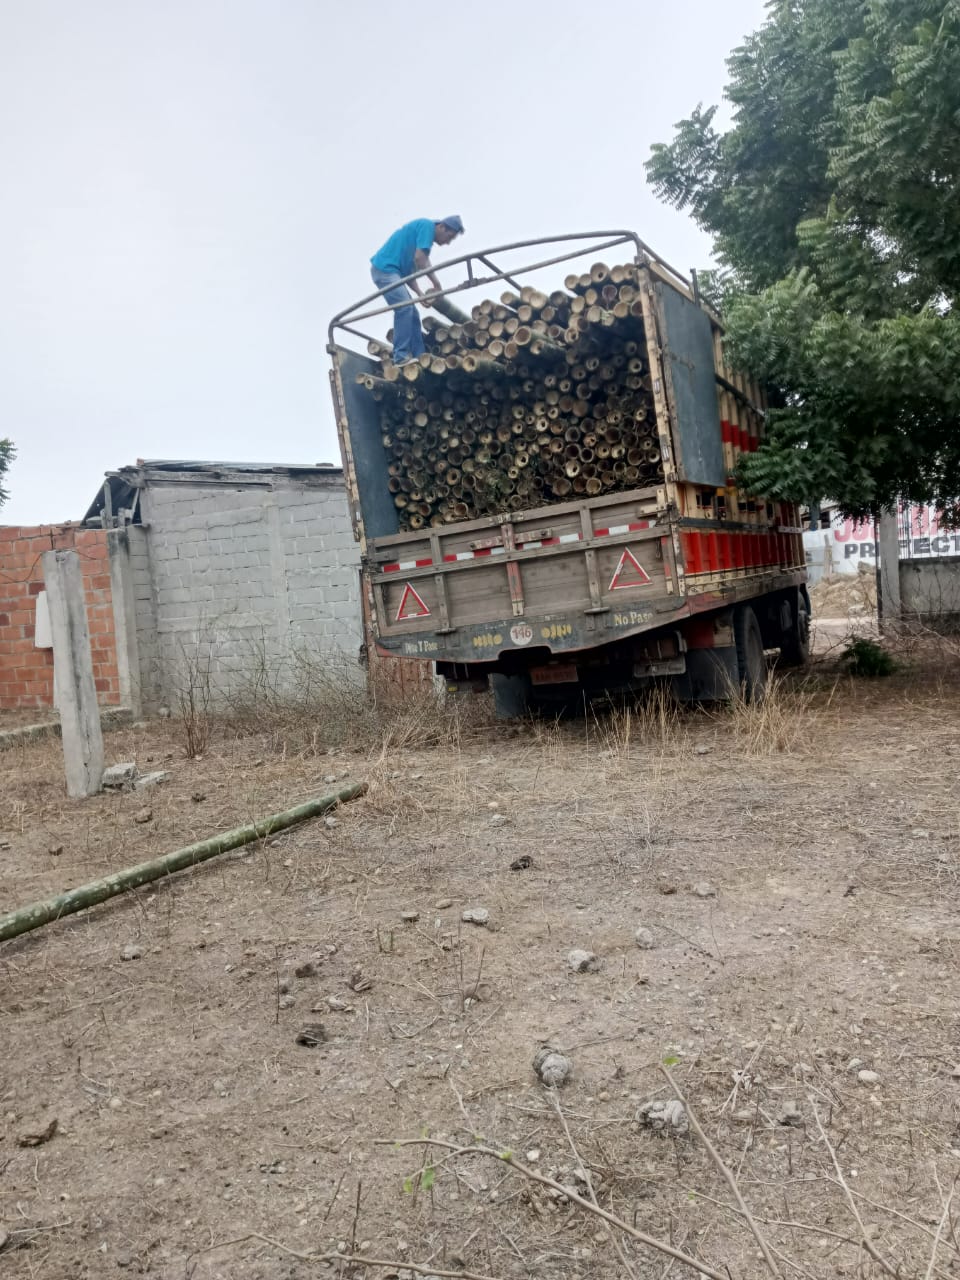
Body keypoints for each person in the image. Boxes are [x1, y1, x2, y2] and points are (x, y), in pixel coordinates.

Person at [370, 216, 465, 365]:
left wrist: (420, 294)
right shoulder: (427, 227)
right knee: (405, 308)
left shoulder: (421, 241)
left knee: (413, 313)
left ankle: (421, 357)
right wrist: (437, 284)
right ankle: (400, 357)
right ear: (441, 227)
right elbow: (421, 259)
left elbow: (410, 274)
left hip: (395, 273)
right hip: (385, 270)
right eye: (449, 237)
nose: (448, 242)